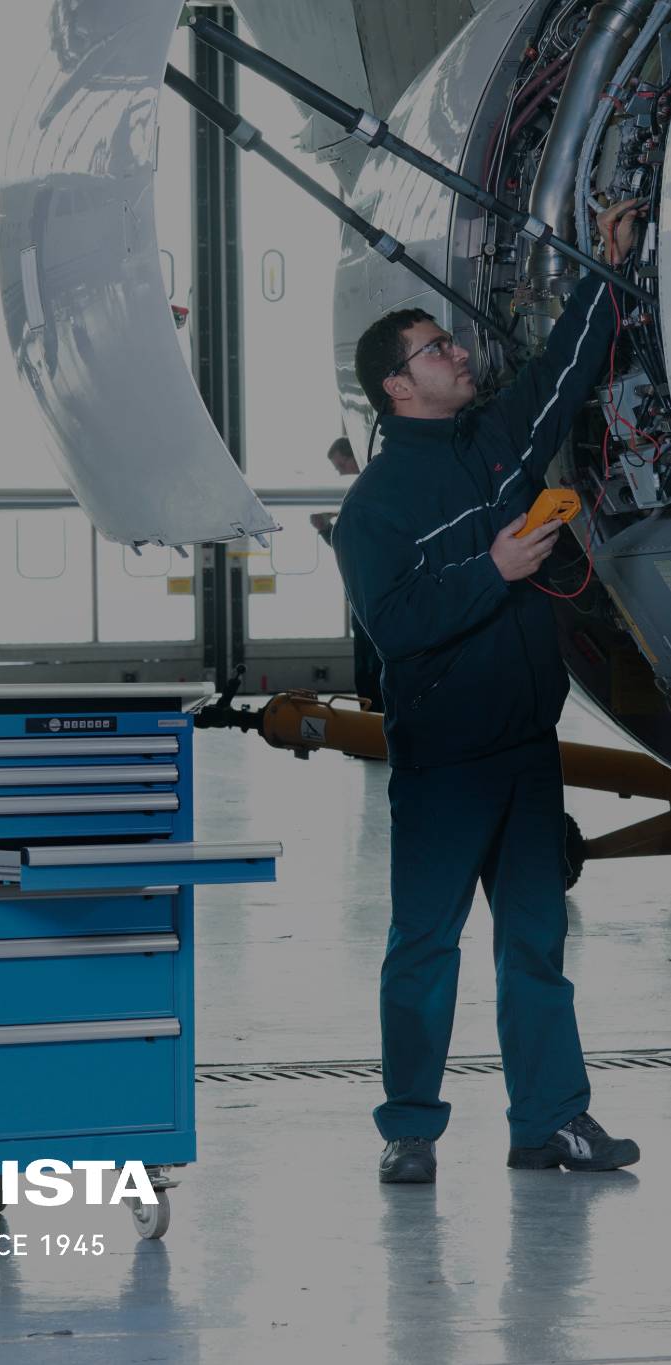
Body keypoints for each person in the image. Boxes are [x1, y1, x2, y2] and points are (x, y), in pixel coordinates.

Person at [331, 197, 645, 1184]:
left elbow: (562, 372)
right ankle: (410, 1130)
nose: (457, 353)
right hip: (445, 765)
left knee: (536, 949)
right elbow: (397, 625)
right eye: (435, 350)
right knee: (424, 950)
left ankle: (550, 1123)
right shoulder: (373, 508)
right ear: (396, 386)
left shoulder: (494, 440)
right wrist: (495, 568)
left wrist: (607, 264)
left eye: (450, 342)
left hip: (524, 753)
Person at [310, 437, 382, 714]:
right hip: (362, 593)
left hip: (374, 593)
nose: (340, 474)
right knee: (365, 661)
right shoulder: (359, 493)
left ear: (355, 458)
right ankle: (370, 713)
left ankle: (375, 714)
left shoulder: (370, 490)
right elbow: (351, 547)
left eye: (342, 466)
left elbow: (358, 545)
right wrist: (325, 530)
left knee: (373, 661)